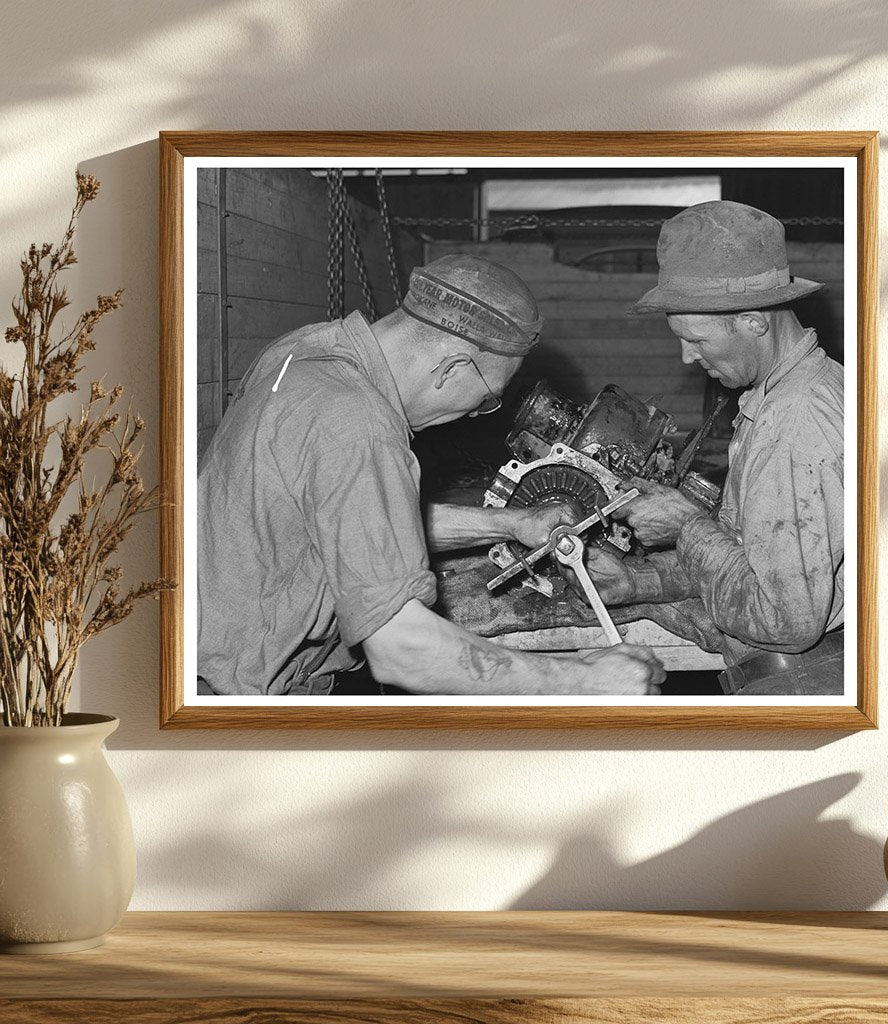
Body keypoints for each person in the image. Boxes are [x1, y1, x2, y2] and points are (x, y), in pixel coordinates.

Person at [197, 254, 664, 697]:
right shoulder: (358, 423)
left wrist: (511, 524)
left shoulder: (302, 351)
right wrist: (582, 679)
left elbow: (352, 519)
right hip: (234, 694)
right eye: (487, 397)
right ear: (453, 367)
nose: (476, 412)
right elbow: (402, 649)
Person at [577, 201, 845, 696]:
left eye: (695, 339)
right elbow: (747, 555)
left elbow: (786, 621)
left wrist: (686, 525)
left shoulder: (793, 426)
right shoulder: (789, 395)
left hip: (805, 688)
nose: (687, 356)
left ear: (753, 322)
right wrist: (640, 584)